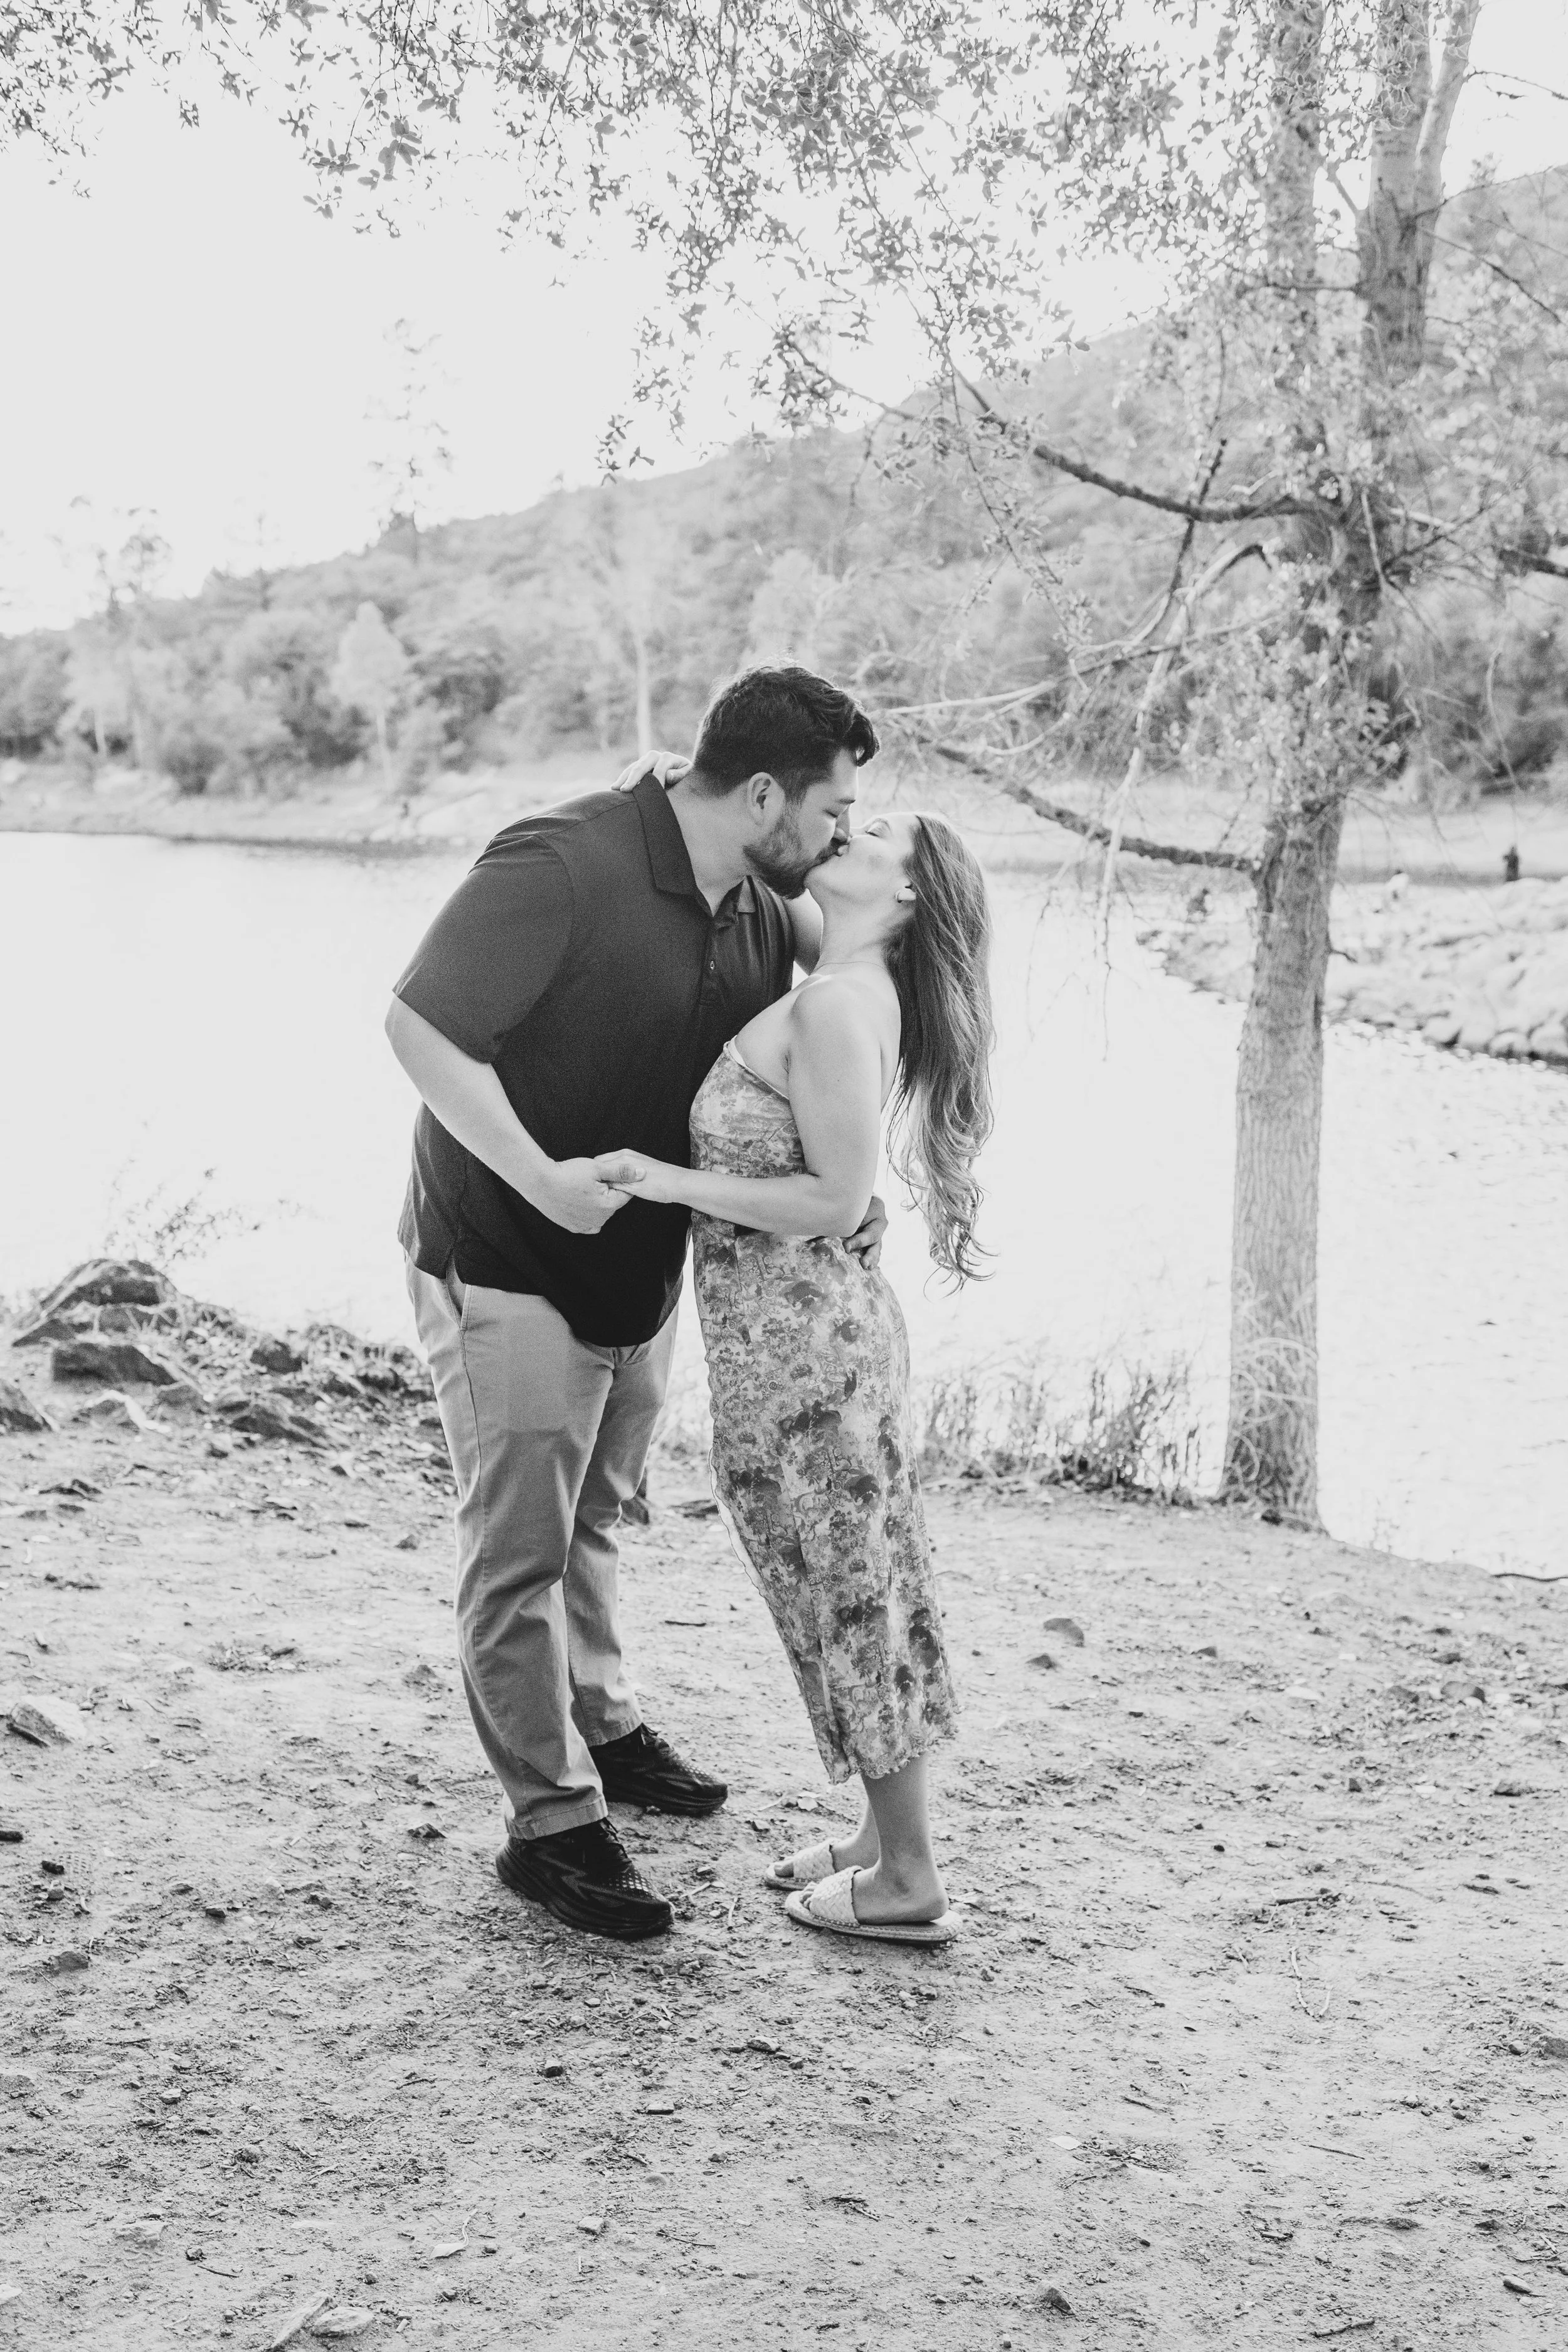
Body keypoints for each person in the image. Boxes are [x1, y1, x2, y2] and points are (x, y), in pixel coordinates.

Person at [383, 665, 887, 1942]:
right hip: (502, 1252)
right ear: (761, 791)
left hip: (636, 1273)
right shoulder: (563, 861)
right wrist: (539, 1180)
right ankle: (551, 1828)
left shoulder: (770, 912)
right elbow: (420, 1027)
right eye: (829, 811)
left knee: (600, 1515)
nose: (837, 835)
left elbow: (828, 1032)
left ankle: (601, 1727)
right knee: (519, 1553)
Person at [596, 806, 993, 1946]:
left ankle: (909, 1876)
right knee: (855, 1585)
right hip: (800, 1346)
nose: (847, 833)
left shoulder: (833, 1004)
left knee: (853, 1594)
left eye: (874, 838)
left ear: (906, 896)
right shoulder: (845, 979)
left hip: (809, 1354)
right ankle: (883, 1836)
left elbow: (828, 1198)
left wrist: (667, 1181)